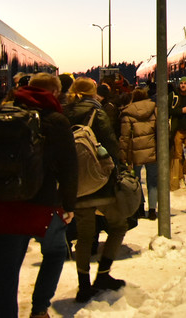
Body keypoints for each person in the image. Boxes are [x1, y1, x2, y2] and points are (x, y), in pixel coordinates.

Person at [0, 72, 78, 318]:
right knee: (55, 252)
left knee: (6, 273)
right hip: (41, 206)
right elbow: (69, 167)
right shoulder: (56, 120)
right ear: (54, 93)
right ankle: (40, 308)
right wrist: (69, 204)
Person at [63, 77, 129, 302]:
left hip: (76, 186)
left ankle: (83, 286)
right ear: (93, 93)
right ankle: (103, 274)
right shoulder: (97, 113)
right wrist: (117, 172)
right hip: (99, 183)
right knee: (119, 225)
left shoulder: (63, 114)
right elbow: (111, 146)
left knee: (84, 236)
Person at [119, 87, 158, 220]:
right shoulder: (155, 110)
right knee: (153, 182)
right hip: (152, 151)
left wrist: (123, 156)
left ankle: (140, 207)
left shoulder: (128, 113)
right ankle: (152, 210)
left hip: (134, 153)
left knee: (136, 181)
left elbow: (124, 137)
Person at [169, 76, 186, 190]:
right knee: (178, 156)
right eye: (181, 83)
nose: (183, 85)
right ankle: (180, 176)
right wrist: (182, 110)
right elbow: (168, 110)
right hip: (178, 130)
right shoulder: (174, 96)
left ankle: (185, 172)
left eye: (185, 83)